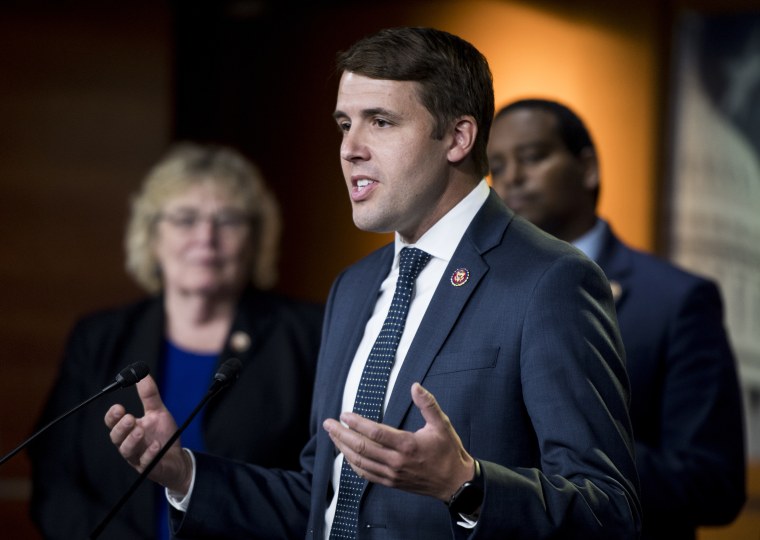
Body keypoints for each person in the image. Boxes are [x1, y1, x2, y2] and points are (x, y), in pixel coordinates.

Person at [105, 27, 642, 538]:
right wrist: (183, 473)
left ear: (458, 137)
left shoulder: (551, 279)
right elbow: (324, 500)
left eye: (380, 122)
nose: (350, 148)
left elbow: (608, 510)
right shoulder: (355, 288)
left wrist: (465, 485)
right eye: (345, 124)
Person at [28, 142, 323, 540]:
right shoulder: (98, 337)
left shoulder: (308, 335)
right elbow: (56, 481)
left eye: (229, 220)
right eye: (185, 219)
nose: (206, 237)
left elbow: (318, 486)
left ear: (254, 239)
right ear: (152, 237)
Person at [487, 98, 746, 540]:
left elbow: (714, 484)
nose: (512, 178)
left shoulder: (676, 300)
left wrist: (568, 445)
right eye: (496, 165)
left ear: (587, 167)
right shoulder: (481, 290)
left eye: (532, 157)